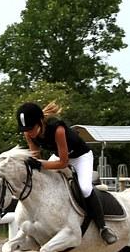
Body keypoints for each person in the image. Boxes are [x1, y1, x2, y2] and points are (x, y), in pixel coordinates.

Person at [16, 100, 118, 244]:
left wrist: (40, 164)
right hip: (59, 156)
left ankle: (103, 228)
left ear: (40, 121)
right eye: (26, 129)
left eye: (31, 128)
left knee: (85, 188)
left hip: (80, 157)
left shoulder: (58, 130)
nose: (29, 133)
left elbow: (63, 163)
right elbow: (36, 157)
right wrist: (34, 165)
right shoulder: (28, 133)